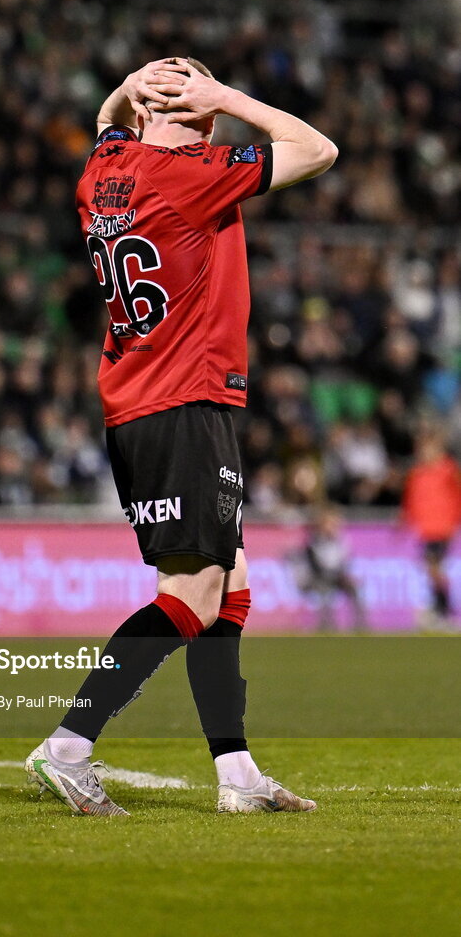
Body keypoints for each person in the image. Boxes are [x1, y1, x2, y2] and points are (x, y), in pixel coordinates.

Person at [26, 56, 337, 816]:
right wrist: (228, 94)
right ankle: (68, 746)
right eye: (195, 108)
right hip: (185, 400)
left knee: (229, 586)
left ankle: (236, 776)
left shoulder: (106, 170)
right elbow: (320, 149)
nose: (208, 119)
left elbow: (103, 124)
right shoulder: (190, 174)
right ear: (180, 125)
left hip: (141, 400)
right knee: (192, 595)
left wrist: (131, 89)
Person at [402, 429, 461, 630]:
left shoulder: (448, 470)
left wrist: (456, 519)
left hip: (442, 527)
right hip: (425, 529)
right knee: (432, 569)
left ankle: (442, 610)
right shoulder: (417, 473)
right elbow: (410, 499)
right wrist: (405, 519)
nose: (423, 453)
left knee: (433, 567)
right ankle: (440, 610)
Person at [294, 504, 365, 632]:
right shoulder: (314, 541)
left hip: (336, 576)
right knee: (324, 591)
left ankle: (360, 624)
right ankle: (327, 624)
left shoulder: (341, 540)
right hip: (319, 578)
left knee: (354, 588)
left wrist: (345, 576)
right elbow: (317, 565)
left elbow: (344, 561)